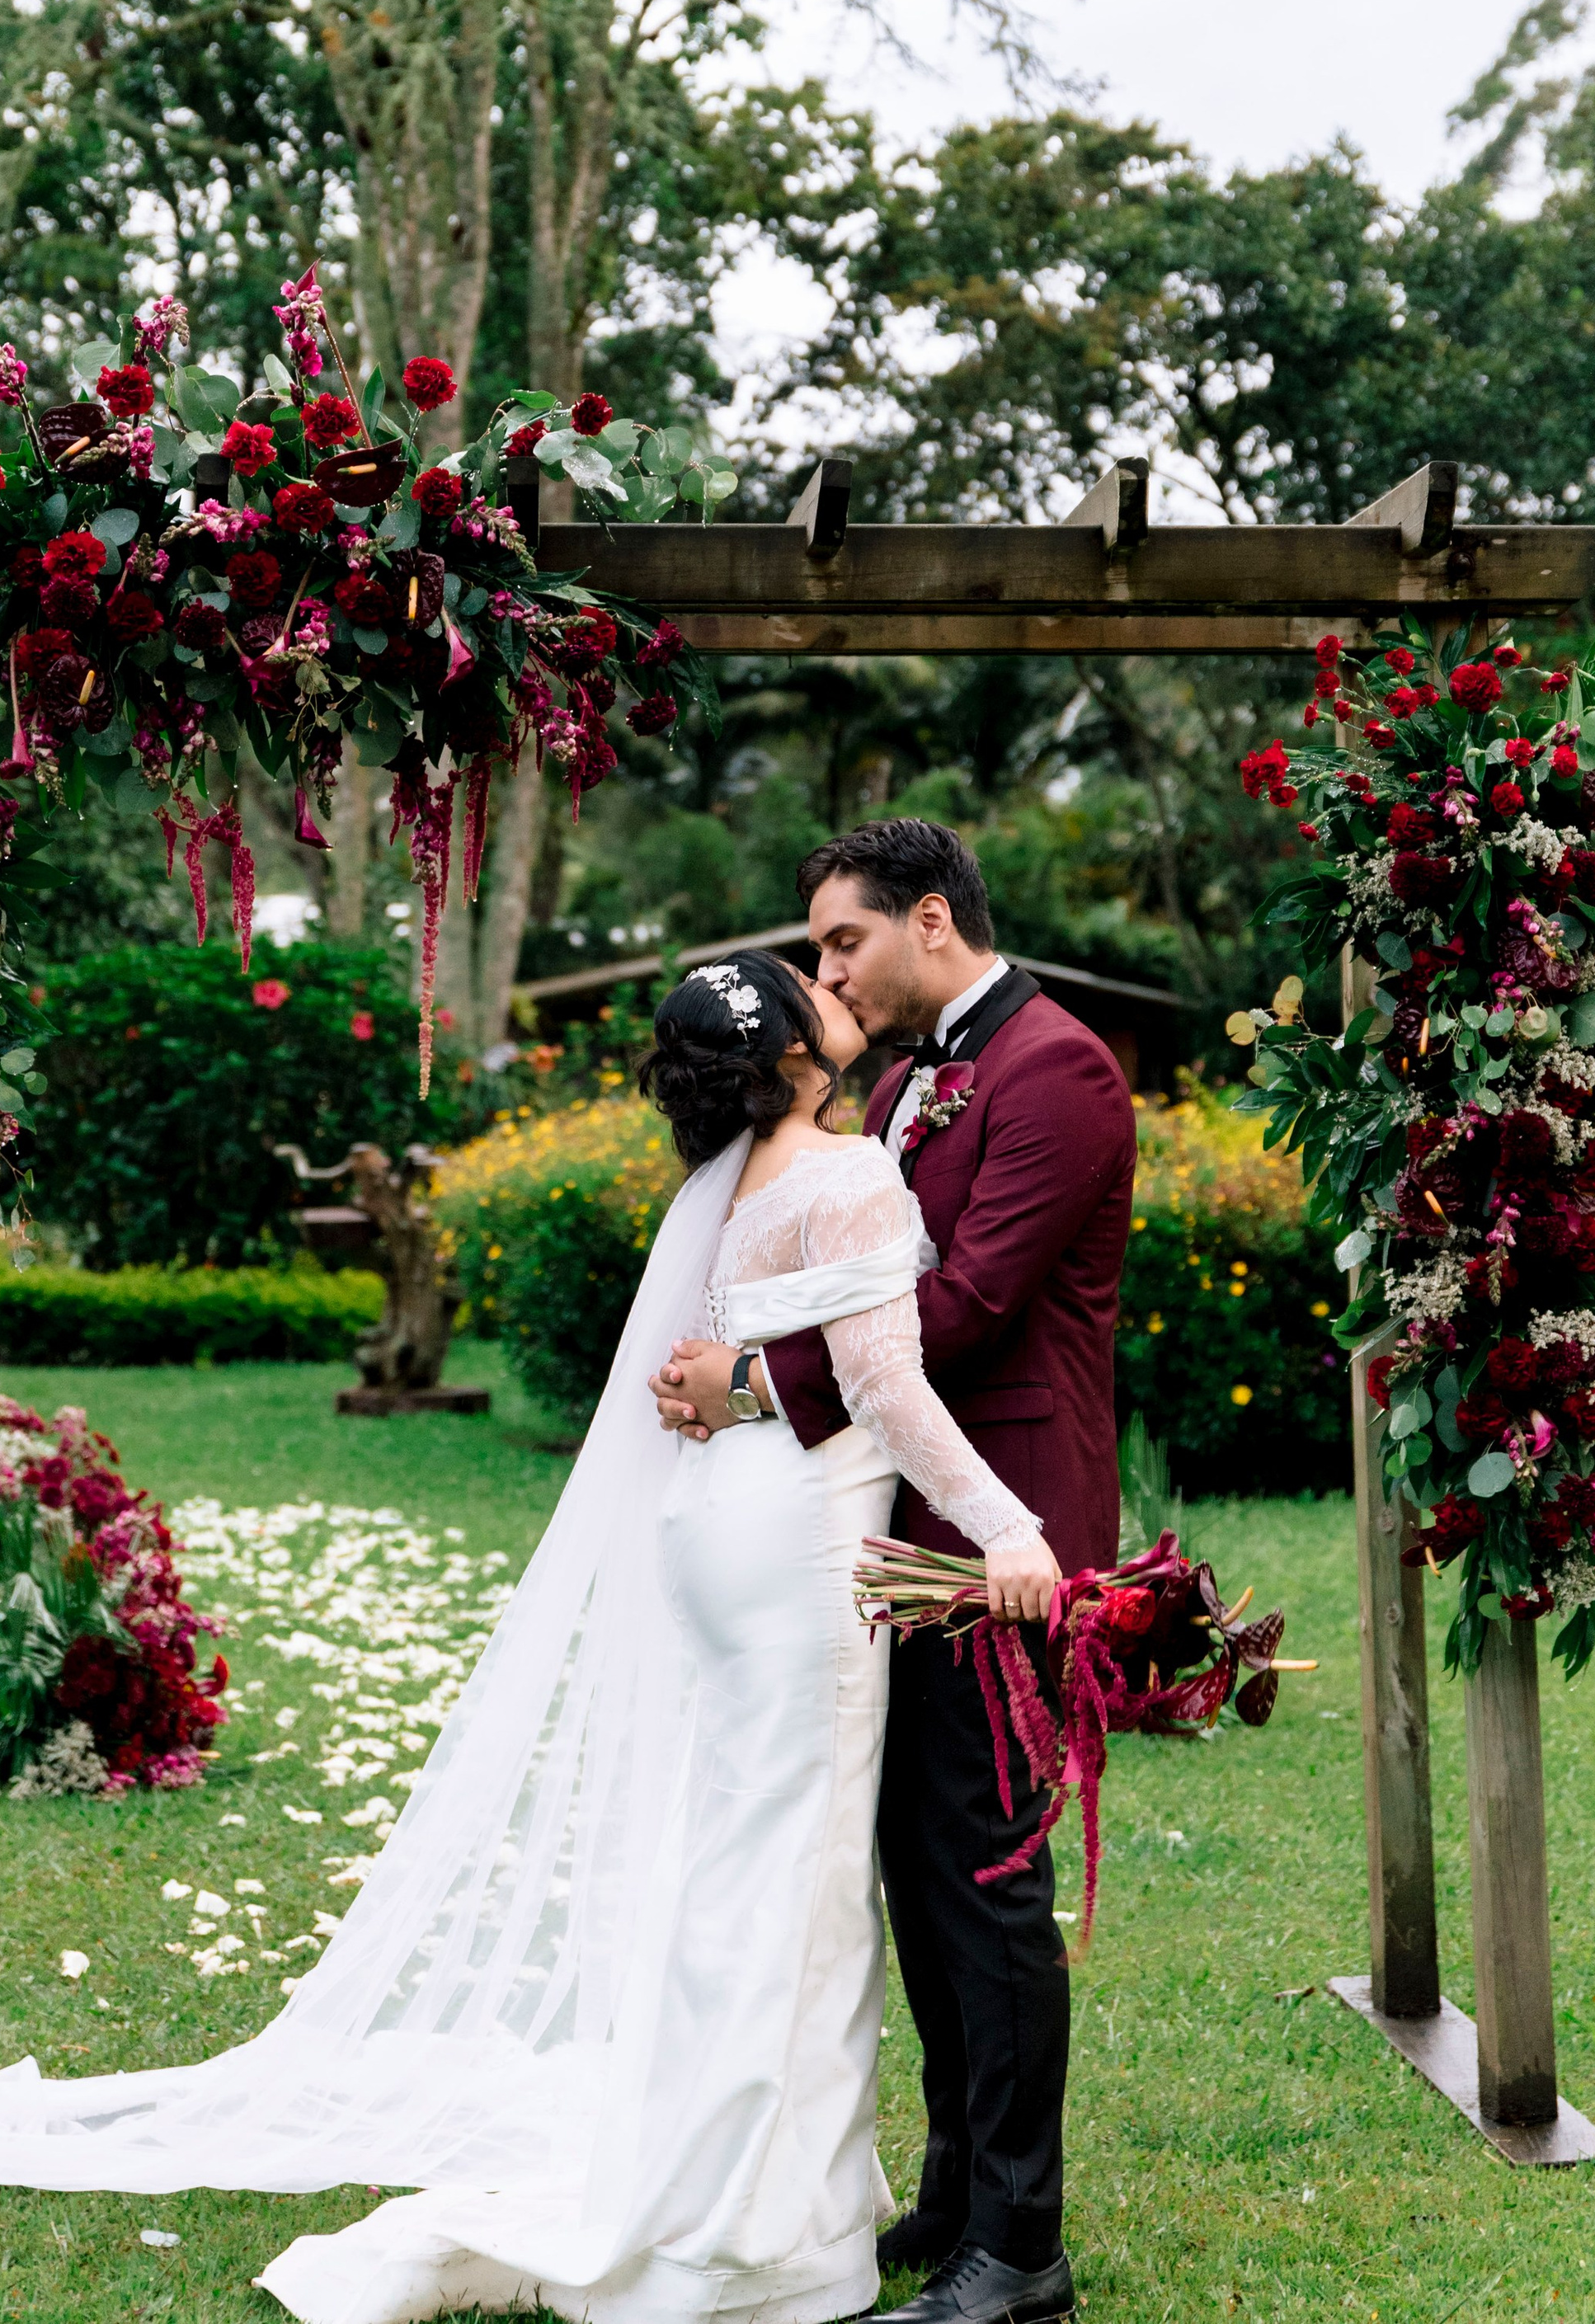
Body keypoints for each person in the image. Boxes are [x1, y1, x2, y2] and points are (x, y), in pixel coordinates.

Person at [0, 942, 1065, 2324]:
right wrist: (1011, 1528)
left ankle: (758, 2190)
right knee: (799, 1889)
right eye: (815, 995)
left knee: (730, 1869)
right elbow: (888, 1390)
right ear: (789, 1056)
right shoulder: (844, 1175)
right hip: (798, 1555)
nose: (839, 999)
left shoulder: (728, 1193)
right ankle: (759, 2228)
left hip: (721, 1534)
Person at [652, 821, 1134, 2324]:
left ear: (931, 919)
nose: (825, 970)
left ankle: (1026, 2244)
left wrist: (747, 1378)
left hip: (1004, 1525)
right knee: (921, 1883)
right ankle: (956, 2186)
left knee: (989, 1882)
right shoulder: (919, 1073)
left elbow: (969, 1306)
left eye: (843, 942)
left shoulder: (1062, 1070)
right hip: (892, 1531)